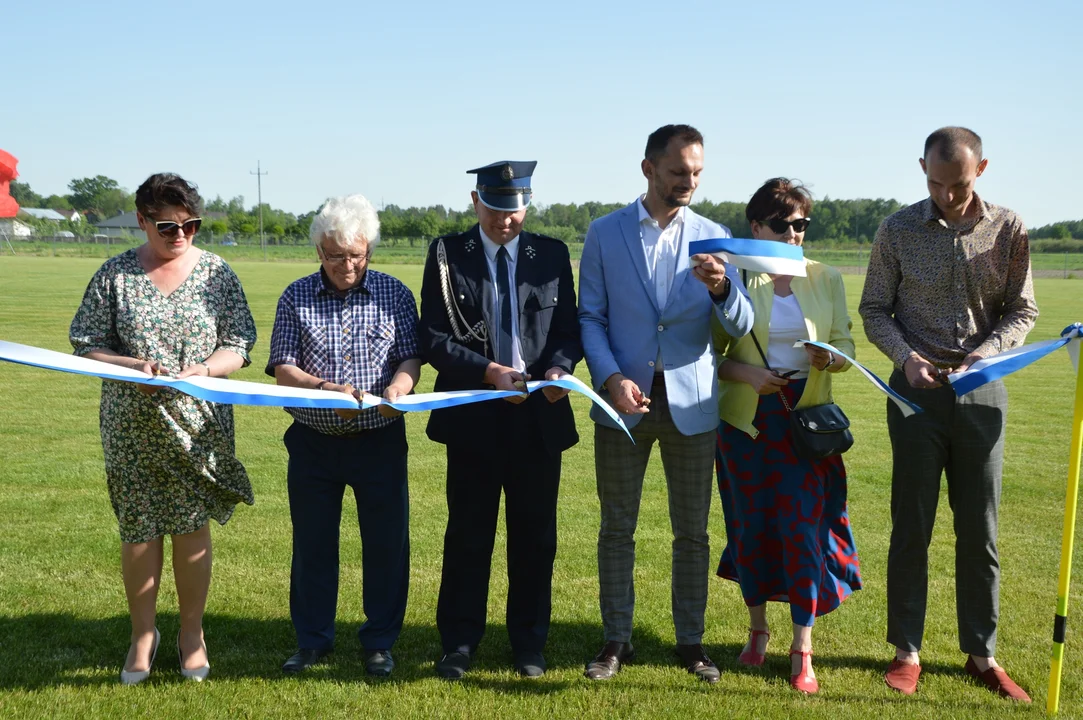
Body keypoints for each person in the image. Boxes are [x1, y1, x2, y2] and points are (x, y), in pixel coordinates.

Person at [859, 127, 1038, 702]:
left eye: (957, 185)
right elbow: (874, 310)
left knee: (978, 531)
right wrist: (906, 359)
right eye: (935, 183)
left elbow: (1022, 309)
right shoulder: (897, 229)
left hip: (983, 394)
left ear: (980, 169)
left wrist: (987, 355)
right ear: (922, 168)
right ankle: (906, 651)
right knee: (911, 524)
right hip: (914, 397)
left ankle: (981, 654)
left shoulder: (1008, 227)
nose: (946, 196)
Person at [578, 124, 754, 683]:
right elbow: (591, 318)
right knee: (616, 528)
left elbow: (741, 321)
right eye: (679, 171)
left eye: (698, 172)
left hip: (693, 403)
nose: (690, 181)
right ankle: (615, 640)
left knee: (693, 532)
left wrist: (723, 289)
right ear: (648, 168)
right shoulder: (604, 233)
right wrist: (609, 379)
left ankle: (691, 641)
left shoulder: (714, 234)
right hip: (622, 404)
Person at [69, 172, 257, 685]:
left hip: (199, 425)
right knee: (139, 530)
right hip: (132, 423)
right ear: (141, 220)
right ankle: (143, 635)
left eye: (190, 226)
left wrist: (205, 370)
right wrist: (131, 367)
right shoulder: (114, 275)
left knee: (192, 527)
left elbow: (239, 343)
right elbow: (85, 342)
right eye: (168, 227)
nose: (181, 236)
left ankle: (191, 635)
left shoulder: (218, 273)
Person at [418, 161, 581, 680]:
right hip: (473, 417)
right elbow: (433, 338)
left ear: (527, 205)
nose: (506, 221)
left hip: (538, 419)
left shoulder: (551, 255)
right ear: (475, 200)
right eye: (496, 209)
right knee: (468, 534)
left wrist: (560, 366)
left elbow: (568, 330)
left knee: (535, 538)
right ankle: (459, 643)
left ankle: (529, 644)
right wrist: (488, 372)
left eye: (515, 210)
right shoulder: (446, 255)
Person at [712, 178, 862, 694]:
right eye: (784, 225)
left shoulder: (826, 277)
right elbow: (707, 357)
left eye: (802, 224)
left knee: (803, 533)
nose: (796, 234)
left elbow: (847, 347)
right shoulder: (732, 279)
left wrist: (830, 356)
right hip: (747, 425)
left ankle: (803, 646)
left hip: (805, 424)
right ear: (756, 228)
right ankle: (757, 631)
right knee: (750, 529)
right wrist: (749, 376)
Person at [267, 194, 421, 678]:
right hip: (314, 442)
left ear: (369, 251)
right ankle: (312, 641)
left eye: (355, 255)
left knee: (386, 545)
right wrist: (322, 388)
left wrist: (400, 384)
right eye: (335, 255)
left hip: (380, 440)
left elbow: (410, 356)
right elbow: (282, 367)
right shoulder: (295, 296)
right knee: (313, 544)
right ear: (319, 251)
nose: (346, 265)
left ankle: (379, 642)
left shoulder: (395, 294)